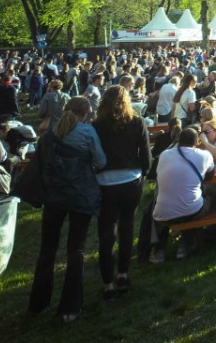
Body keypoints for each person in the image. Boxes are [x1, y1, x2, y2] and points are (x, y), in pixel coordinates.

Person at [29, 96, 106, 323]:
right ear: (85, 113)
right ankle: (70, 307)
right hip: (80, 195)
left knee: (47, 249)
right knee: (76, 249)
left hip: (54, 195)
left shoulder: (50, 133)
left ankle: (38, 303)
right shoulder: (87, 133)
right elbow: (100, 162)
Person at [93, 85, 151, 300]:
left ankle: (109, 283)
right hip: (129, 180)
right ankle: (122, 274)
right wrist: (143, 173)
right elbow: (146, 154)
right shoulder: (136, 122)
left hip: (107, 181)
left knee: (107, 231)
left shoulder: (97, 126)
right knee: (126, 228)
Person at [150, 127, 214, 261]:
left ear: (179, 140)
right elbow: (210, 175)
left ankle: (159, 250)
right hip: (191, 211)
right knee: (206, 197)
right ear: (197, 141)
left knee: (168, 201)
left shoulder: (165, 155)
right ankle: (186, 244)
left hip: (162, 213)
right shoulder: (204, 155)